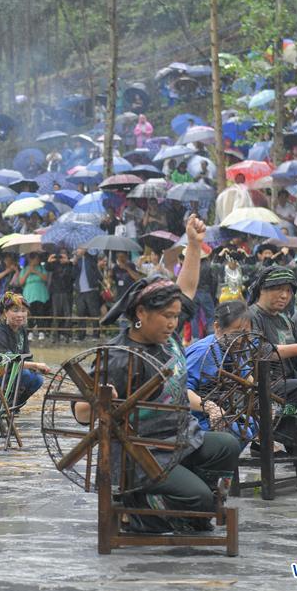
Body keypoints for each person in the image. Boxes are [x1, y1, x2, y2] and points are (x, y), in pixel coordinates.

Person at [80, 215, 241, 533]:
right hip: (143, 453)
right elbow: (82, 413)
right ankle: (141, 509)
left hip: (181, 438)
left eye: (175, 316)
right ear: (141, 313)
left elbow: (188, 289)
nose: (172, 322)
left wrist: (193, 244)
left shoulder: (166, 339)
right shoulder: (118, 354)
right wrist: (102, 401)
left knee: (227, 445)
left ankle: (178, 504)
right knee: (204, 503)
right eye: (166, 316)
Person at [246, 266, 297, 450]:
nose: (284, 295)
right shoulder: (251, 316)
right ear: (263, 289)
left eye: (288, 291)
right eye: (279, 289)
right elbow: (259, 352)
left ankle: (295, 440)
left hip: (291, 386)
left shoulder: (285, 319)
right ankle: (273, 438)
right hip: (263, 385)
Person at [185, 300, 257, 446]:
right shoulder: (203, 353)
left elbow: (247, 379)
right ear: (217, 327)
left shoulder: (233, 347)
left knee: (255, 425)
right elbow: (182, 391)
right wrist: (211, 408)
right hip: (196, 417)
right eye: (236, 333)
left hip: (224, 411)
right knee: (237, 436)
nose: (241, 339)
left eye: (246, 334)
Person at [0, 292, 52, 410]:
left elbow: (27, 356)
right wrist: (36, 365)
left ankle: (13, 405)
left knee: (37, 379)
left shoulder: (21, 330)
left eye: (23, 310)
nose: (20, 314)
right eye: (15, 310)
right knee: (25, 374)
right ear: (5, 313)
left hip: (14, 371)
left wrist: (36, 368)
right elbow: (7, 361)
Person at [17, 253, 50, 339]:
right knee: (29, 313)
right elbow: (21, 282)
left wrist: (35, 271)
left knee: (40, 312)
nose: (37, 260)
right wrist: (28, 272)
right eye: (35, 258)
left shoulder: (41, 268)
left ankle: (41, 331)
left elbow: (45, 278)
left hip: (40, 293)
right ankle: (29, 332)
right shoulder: (24, 269)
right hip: (29, 294)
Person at [45, 249, 75, 342]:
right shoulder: (55, 264)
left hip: (67, 292)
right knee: (56, 314)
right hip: (56, 292)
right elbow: (47, 268)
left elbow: (73, 276)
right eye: (60, 254)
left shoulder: (70, 265)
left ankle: (67, 335)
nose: (61, 257)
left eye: (64, 254)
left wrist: (68, 262)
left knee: (67, 314)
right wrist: (49, 260)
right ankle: (55, 335)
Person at [73, 248, 103, 340]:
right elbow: (73, 275)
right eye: (78, 250)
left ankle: (96, 334)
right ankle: (81, 335)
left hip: (91, 289)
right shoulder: (77, 261)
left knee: (94, 313)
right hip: (80, 290)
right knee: (81, 313)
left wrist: (86, 253)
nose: (78, 251)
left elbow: (94, 261)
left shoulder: (91, 259)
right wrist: (74, 264)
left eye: (80, 249)